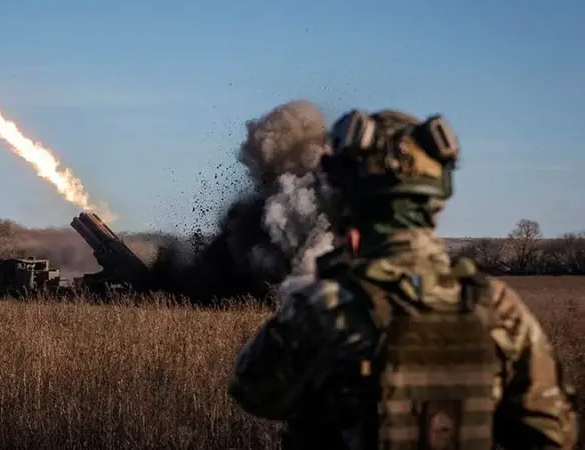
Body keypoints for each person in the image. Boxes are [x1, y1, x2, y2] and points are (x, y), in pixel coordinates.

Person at [227, 108, 579, 449]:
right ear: (437, 196)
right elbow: (553, 431)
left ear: (346, 198)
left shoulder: (326, 308)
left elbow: (253, 391)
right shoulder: (498, 307)